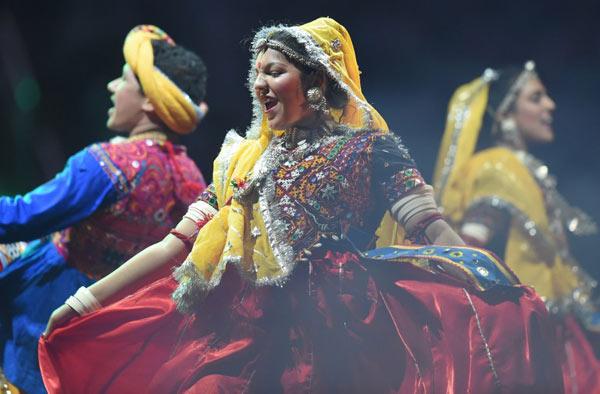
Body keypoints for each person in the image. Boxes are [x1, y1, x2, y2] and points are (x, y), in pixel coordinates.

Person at [40, 18, 562, 393]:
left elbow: (432, 229)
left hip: (347, 323)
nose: (260, 83)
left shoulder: (370, 149)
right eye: (258, 72)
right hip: (241, 327)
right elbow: (177, 245)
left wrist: (489, 279)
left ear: (315, 81)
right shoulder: (241, 160)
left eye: (276, 71)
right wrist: (85, 302)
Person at [0, 25, 208, 394]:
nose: (113, 87)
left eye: (124, 78)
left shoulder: (106, 164)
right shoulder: (191, 177)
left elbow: (19, 217)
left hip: (47, 306)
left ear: (148, 101)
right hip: (113, 329)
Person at [434, 62, 600, 393]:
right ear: (506, 114)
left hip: (556, 323)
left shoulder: (523, 168)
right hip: (532, 330)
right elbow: (471, 247)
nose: (549, 105)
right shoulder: (498, 167)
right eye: (536, 98)